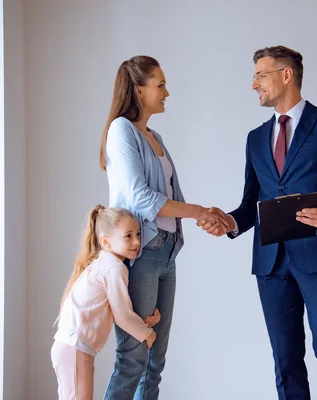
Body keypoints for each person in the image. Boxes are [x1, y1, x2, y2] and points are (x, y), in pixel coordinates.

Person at [200, 46, 317, 400]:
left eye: (260, 75)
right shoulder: (255, 139)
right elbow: (252, 204)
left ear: (286, 74)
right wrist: (230, 222)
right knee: (285, 361)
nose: (254, 84)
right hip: (271, 264)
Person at [100, 56, 230, 399]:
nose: (166, 92)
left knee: (155, 359)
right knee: (134, 357)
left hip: (168, 250)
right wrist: (198, 210)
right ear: (138, 90)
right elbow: (142, 198)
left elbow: (170, 194)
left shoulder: (153, 135)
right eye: (160, 85)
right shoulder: (121, 130)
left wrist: (202, 215)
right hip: (143, 252)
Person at [52, 205, 160, 400]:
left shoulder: (102, 263)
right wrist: (148, 334)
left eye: (137, 234)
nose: (136, 241)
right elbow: (122, 315)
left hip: (69, 347)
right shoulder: (114, 268)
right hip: (75, 348)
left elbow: (116, 308)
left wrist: (147, 319)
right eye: (128, 236)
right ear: (105, 241)